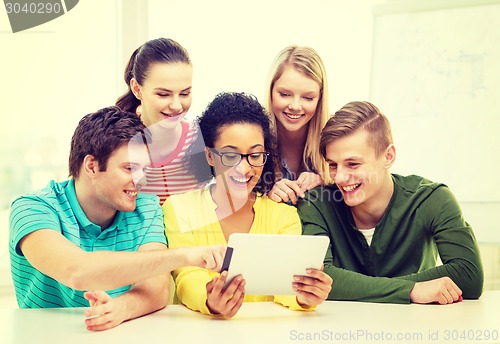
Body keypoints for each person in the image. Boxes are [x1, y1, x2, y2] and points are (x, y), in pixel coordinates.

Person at [9, 107, 225, 331]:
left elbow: (157, 288)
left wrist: (121, 309)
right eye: (130, 168)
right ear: (91, 166)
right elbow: (78, 271)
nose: (140, 181)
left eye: (144, 169)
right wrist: (184, 255)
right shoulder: (32, 208)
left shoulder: (145, 206)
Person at [163, 92, 332, 318]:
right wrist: (209, 299)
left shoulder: (284, 217)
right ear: (210, 156)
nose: (244, 169)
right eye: (230, 156)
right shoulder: (179, 208)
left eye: (255, 155)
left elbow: (285, 285)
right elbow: (185, 277)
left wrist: (305, 295)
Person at [297, 101, 484, 304]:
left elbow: (469, 275)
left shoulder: (432, 198)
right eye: (333, 165)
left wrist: (360, 287)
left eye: (353, 164)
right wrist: (411, 290)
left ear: (388, 156)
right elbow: (315, 281)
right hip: (336, 330)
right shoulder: (316, 203)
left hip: (412, 328)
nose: (340, 177)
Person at [116, 37, 208, 205]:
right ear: (137, 89)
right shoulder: (118, 142)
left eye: (185, 93)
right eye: (163, 94)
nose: (177, 105)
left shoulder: (199, 137)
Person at [264, 45, 331, 205]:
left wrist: (325, 182)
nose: (295, 106)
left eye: (308, 98)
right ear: (271, 90)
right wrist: (266, 199)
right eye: (285, 94)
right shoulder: (253, 139)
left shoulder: (335, 139)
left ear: (320, 99)